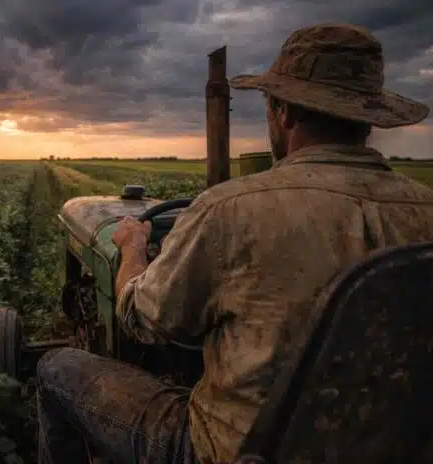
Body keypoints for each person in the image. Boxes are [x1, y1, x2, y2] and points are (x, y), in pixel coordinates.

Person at [35, 23, 433, 464]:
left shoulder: (230, 210)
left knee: (56, 370)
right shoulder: (426, 209)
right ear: (368, 118)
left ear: (282, 111)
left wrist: (132, 248)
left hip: (234, 453)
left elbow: (139, 319)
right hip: (391, 445)